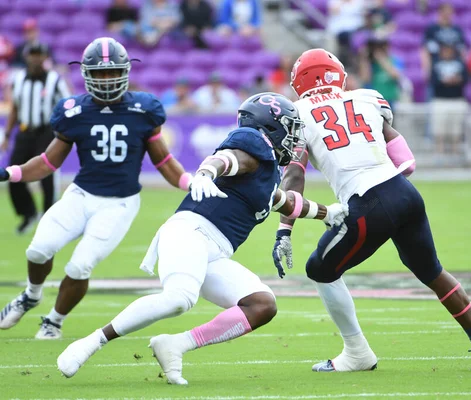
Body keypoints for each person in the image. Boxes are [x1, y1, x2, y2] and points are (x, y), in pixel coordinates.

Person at [55, 92, 349, 384]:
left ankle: (175, 345)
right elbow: (227, 159)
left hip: (215, 250)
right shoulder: (252, 140)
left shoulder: (267, 170)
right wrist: (206, 173)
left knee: (262, 304)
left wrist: (328, 213)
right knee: (179, 299)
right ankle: (92, 341)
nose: (293, 136)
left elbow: (285, 201)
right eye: (289, 126)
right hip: (191, 231)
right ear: (270, 125)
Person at [272, 48, 471, 372]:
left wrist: (285, 229)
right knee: (433, 272)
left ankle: (357, 354)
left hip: (368, 203)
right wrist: (401, 176)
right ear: (336, 73)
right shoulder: (367, 98)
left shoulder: (298, 113)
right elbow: (400, 149)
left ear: (300, 82)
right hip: (404, 193)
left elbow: (295, 174)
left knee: (320, 270)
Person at [0, 37, 193, 340]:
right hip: (80, 195)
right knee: (38, 250)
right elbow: (48, 163)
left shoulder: (144, 110)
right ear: (87, 74)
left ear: (125, 72)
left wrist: (192, 184)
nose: (106, 80)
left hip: (119, 204)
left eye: (112, 72)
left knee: (79, 267)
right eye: (100, 73)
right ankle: (31, 295)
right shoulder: (74, 110)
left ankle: (53, 320)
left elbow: (165, 162)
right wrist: (10, 172)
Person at [2, 43, 70, 234]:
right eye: (33, 54)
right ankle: (28, 213)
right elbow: (15, 107)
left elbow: (68, 105)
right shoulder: (19, 78)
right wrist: (7, 134)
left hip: (46, 132)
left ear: (45, 57)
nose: (36, 58)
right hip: (25, 131)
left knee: (47, 176)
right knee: (14, 173)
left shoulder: (55, 80)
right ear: (26, 57)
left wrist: (65, 133)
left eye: (39, 54)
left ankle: (49, 219)